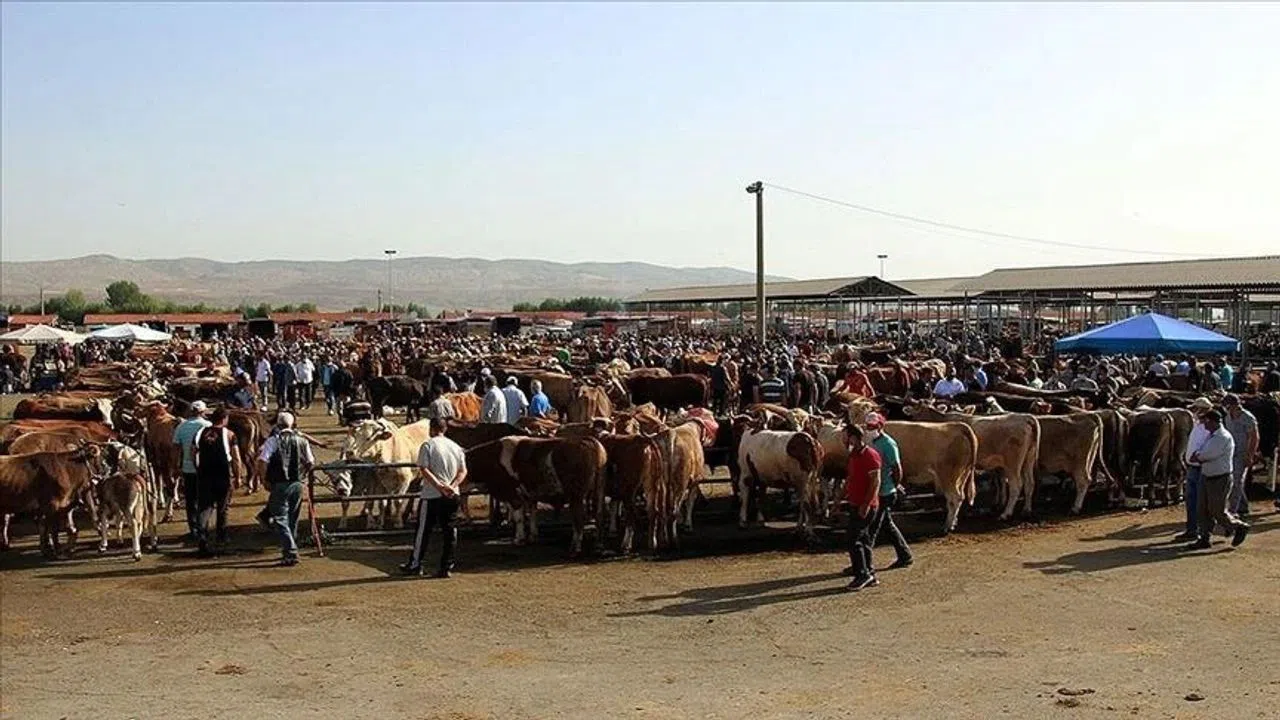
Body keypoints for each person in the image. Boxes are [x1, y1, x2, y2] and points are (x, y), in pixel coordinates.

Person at [400, 417, 469, 578]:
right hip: (452, 494)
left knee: (423, 530)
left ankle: (416, 564)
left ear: (431, 429)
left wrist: (439, 486)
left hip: (432, 495)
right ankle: (446, 566)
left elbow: (424, 469)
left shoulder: (428, 445)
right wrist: (452, 486)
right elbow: (463, 471)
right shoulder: (456, 447)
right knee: (450, 531)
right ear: (445, 429)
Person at [1186, 410, 1249, 550]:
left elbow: (1206, 454)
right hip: (1207, 475)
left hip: (1220, 478)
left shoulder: (1222, 437)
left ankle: (1238, 526)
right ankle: (1204, 537)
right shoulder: (1212, 436)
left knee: (1217, 510)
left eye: (1206, 421)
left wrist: (1198, 456)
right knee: (1202, 509)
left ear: (1213, 421)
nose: (1204, 424)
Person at [258, 412, 314, 566]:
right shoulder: (302, 441)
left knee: (280, 518)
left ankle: (290, 551)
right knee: (292, 517)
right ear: (292, 424)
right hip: (297, 483)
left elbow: (262, 461)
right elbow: (310, 462)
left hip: (279, 483)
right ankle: (291, 546)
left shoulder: (272, 441)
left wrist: (264, 480)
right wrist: (303, 475)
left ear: (278, 424)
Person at [864, 413, 913, 569]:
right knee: (886, 525)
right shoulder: (871, 441)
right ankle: (905, 555)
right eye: (867, 426)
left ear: (880, 426)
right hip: (877, 490)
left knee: (872, 527)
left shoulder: (888, 444)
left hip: (884, 491)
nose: (868, 429)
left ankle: (864, 564)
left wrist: (895, 485)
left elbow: (897, 468)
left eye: (871, 426)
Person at [193, 408, 241, 557]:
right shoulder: (229, 434)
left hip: (204, 474)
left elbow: (192, 452)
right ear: (225, 419)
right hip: (222, 474)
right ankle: (221, 536)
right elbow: (236, 457)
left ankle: (202, 536)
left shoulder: (200, 433)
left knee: (204, 508)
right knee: (223, 507)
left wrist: (197, 467)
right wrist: (238, 476)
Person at [843, 424, 881, 591]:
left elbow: (875, 481)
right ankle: (869, 572)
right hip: (855, 503)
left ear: (853, 437)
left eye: (845, 436)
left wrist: (866, 503)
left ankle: (862, 574)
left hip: (865, 505)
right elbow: (851, 478)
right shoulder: (853, 455)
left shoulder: (870, 455)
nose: (842, 439)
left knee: (854, 539)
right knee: (863, 539)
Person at [1174, 397, 1214, 542]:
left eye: (1196, 409)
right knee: (1191, 500)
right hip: (1192, 467)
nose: (1194, 412)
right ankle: (1191, 529)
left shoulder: (1211, 428)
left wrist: (1199, 458)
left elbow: (1210, 448)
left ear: (1203, 410)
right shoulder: (1197, 425)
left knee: (1201, 501)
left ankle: (1203, 531)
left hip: (1202, 468)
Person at [172, 401, 212, 544]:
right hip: (205, 468)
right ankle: (204, 528)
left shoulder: (181, 427)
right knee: (205, 500)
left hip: (188, 468)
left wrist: (176, 466)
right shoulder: (208, 426)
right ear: (203, 412)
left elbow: (176, 448)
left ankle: (193, 529)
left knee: (191, 501)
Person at [1221, 394, 1259, 518]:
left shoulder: (1247, 417)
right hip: (1231, 451)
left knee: (1237, 481)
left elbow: (1254, 437)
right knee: (1234, 480)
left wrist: (1250, 455)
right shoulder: (1227, 417)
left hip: (1242, 453)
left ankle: (1233, 510)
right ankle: (1243, 506)